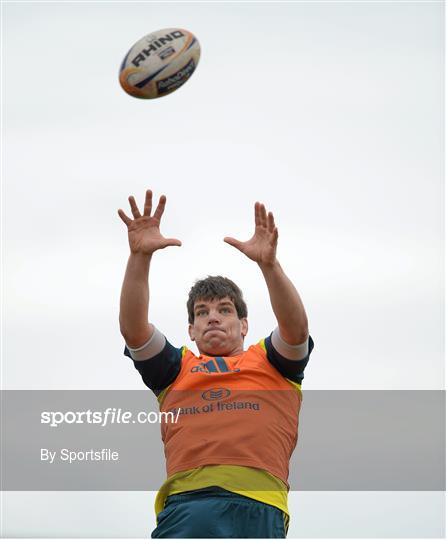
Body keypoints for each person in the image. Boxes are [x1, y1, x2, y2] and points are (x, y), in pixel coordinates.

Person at [118, 189, 314, 539]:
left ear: (244, 324)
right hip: (191, 507)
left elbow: (297, 330)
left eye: (224, 310)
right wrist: (139, 257)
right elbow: (134, 330)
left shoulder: (272, 362)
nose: (213, 318)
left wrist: (269, 265)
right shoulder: (175, 368)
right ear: (191, 329)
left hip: (261, 508)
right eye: (202, 313)